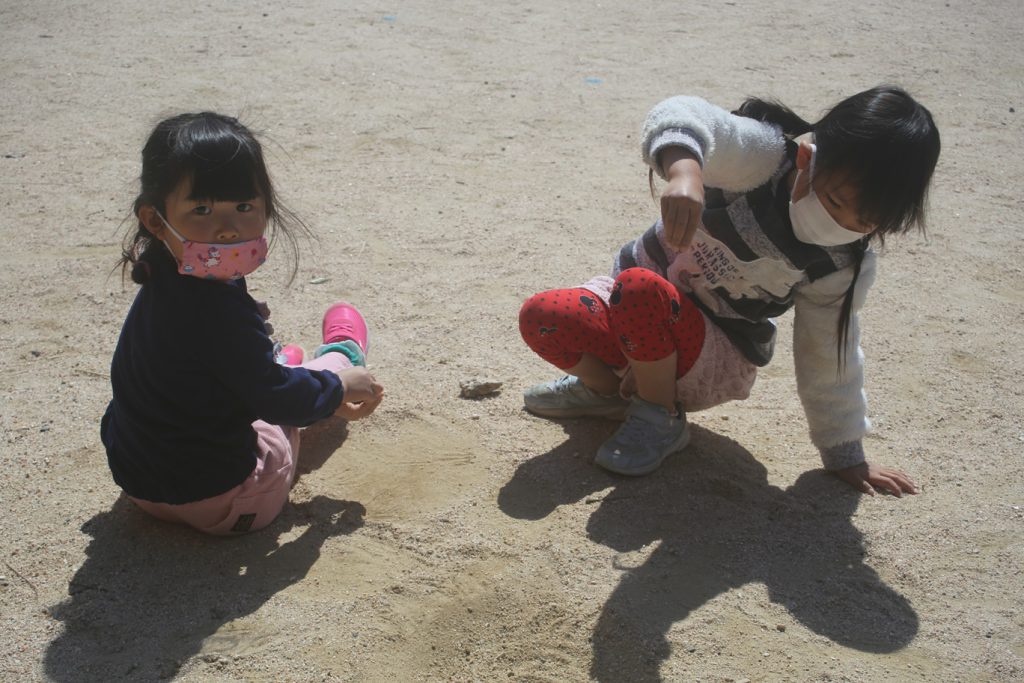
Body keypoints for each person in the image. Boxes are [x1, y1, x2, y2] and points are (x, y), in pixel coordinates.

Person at [519, 86, 940, 496]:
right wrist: (686, 171)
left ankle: (661, 415)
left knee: (641, 289)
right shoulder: (763, 160)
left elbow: (829, 352)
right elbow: (682, 111)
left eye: (863, 222)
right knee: (544, 316)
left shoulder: (841, 265)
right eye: (833, 201)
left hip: (708, 351)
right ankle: (607, 393)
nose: (839, 224)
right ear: (808, 159)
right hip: (627, 308)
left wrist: (843, 451)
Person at [101, 112, 384, 534]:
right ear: (156, 219)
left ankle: (276, 366)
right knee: (282, 411)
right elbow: (278, 402)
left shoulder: (159, 278)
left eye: (244, 207)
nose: (228, 229)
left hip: (140, 486)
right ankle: (342, 358)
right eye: (202, 209)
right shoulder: (217, 311)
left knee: (239, 375)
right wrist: (337, 390)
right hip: (228, 503)